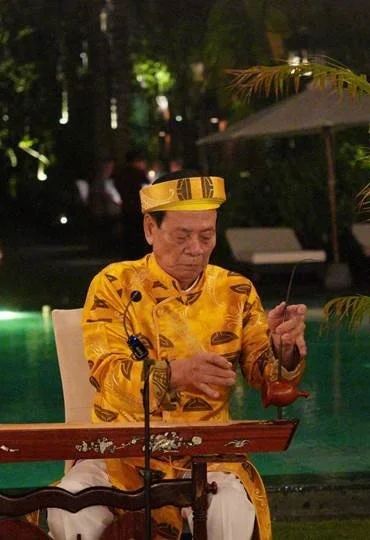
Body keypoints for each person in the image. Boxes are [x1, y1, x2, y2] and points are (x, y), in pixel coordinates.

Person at [47, 170, 308, 540]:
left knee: (230, 510)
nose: (196, 249)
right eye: (182, 236)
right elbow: (109, 376)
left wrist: (284, 350)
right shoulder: (114, 284)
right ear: (150, 230)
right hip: (121, 455)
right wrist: (174, 374)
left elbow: (264, 374)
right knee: (67, 509)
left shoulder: (235, 291)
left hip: (206, 454)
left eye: (207, 236)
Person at [113, 148, 150, 258]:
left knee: (128, 237)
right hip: (138, 210)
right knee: (138, 238)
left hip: (126, 209)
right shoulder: (138, 174)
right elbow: (147, 187)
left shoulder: (121, 174)